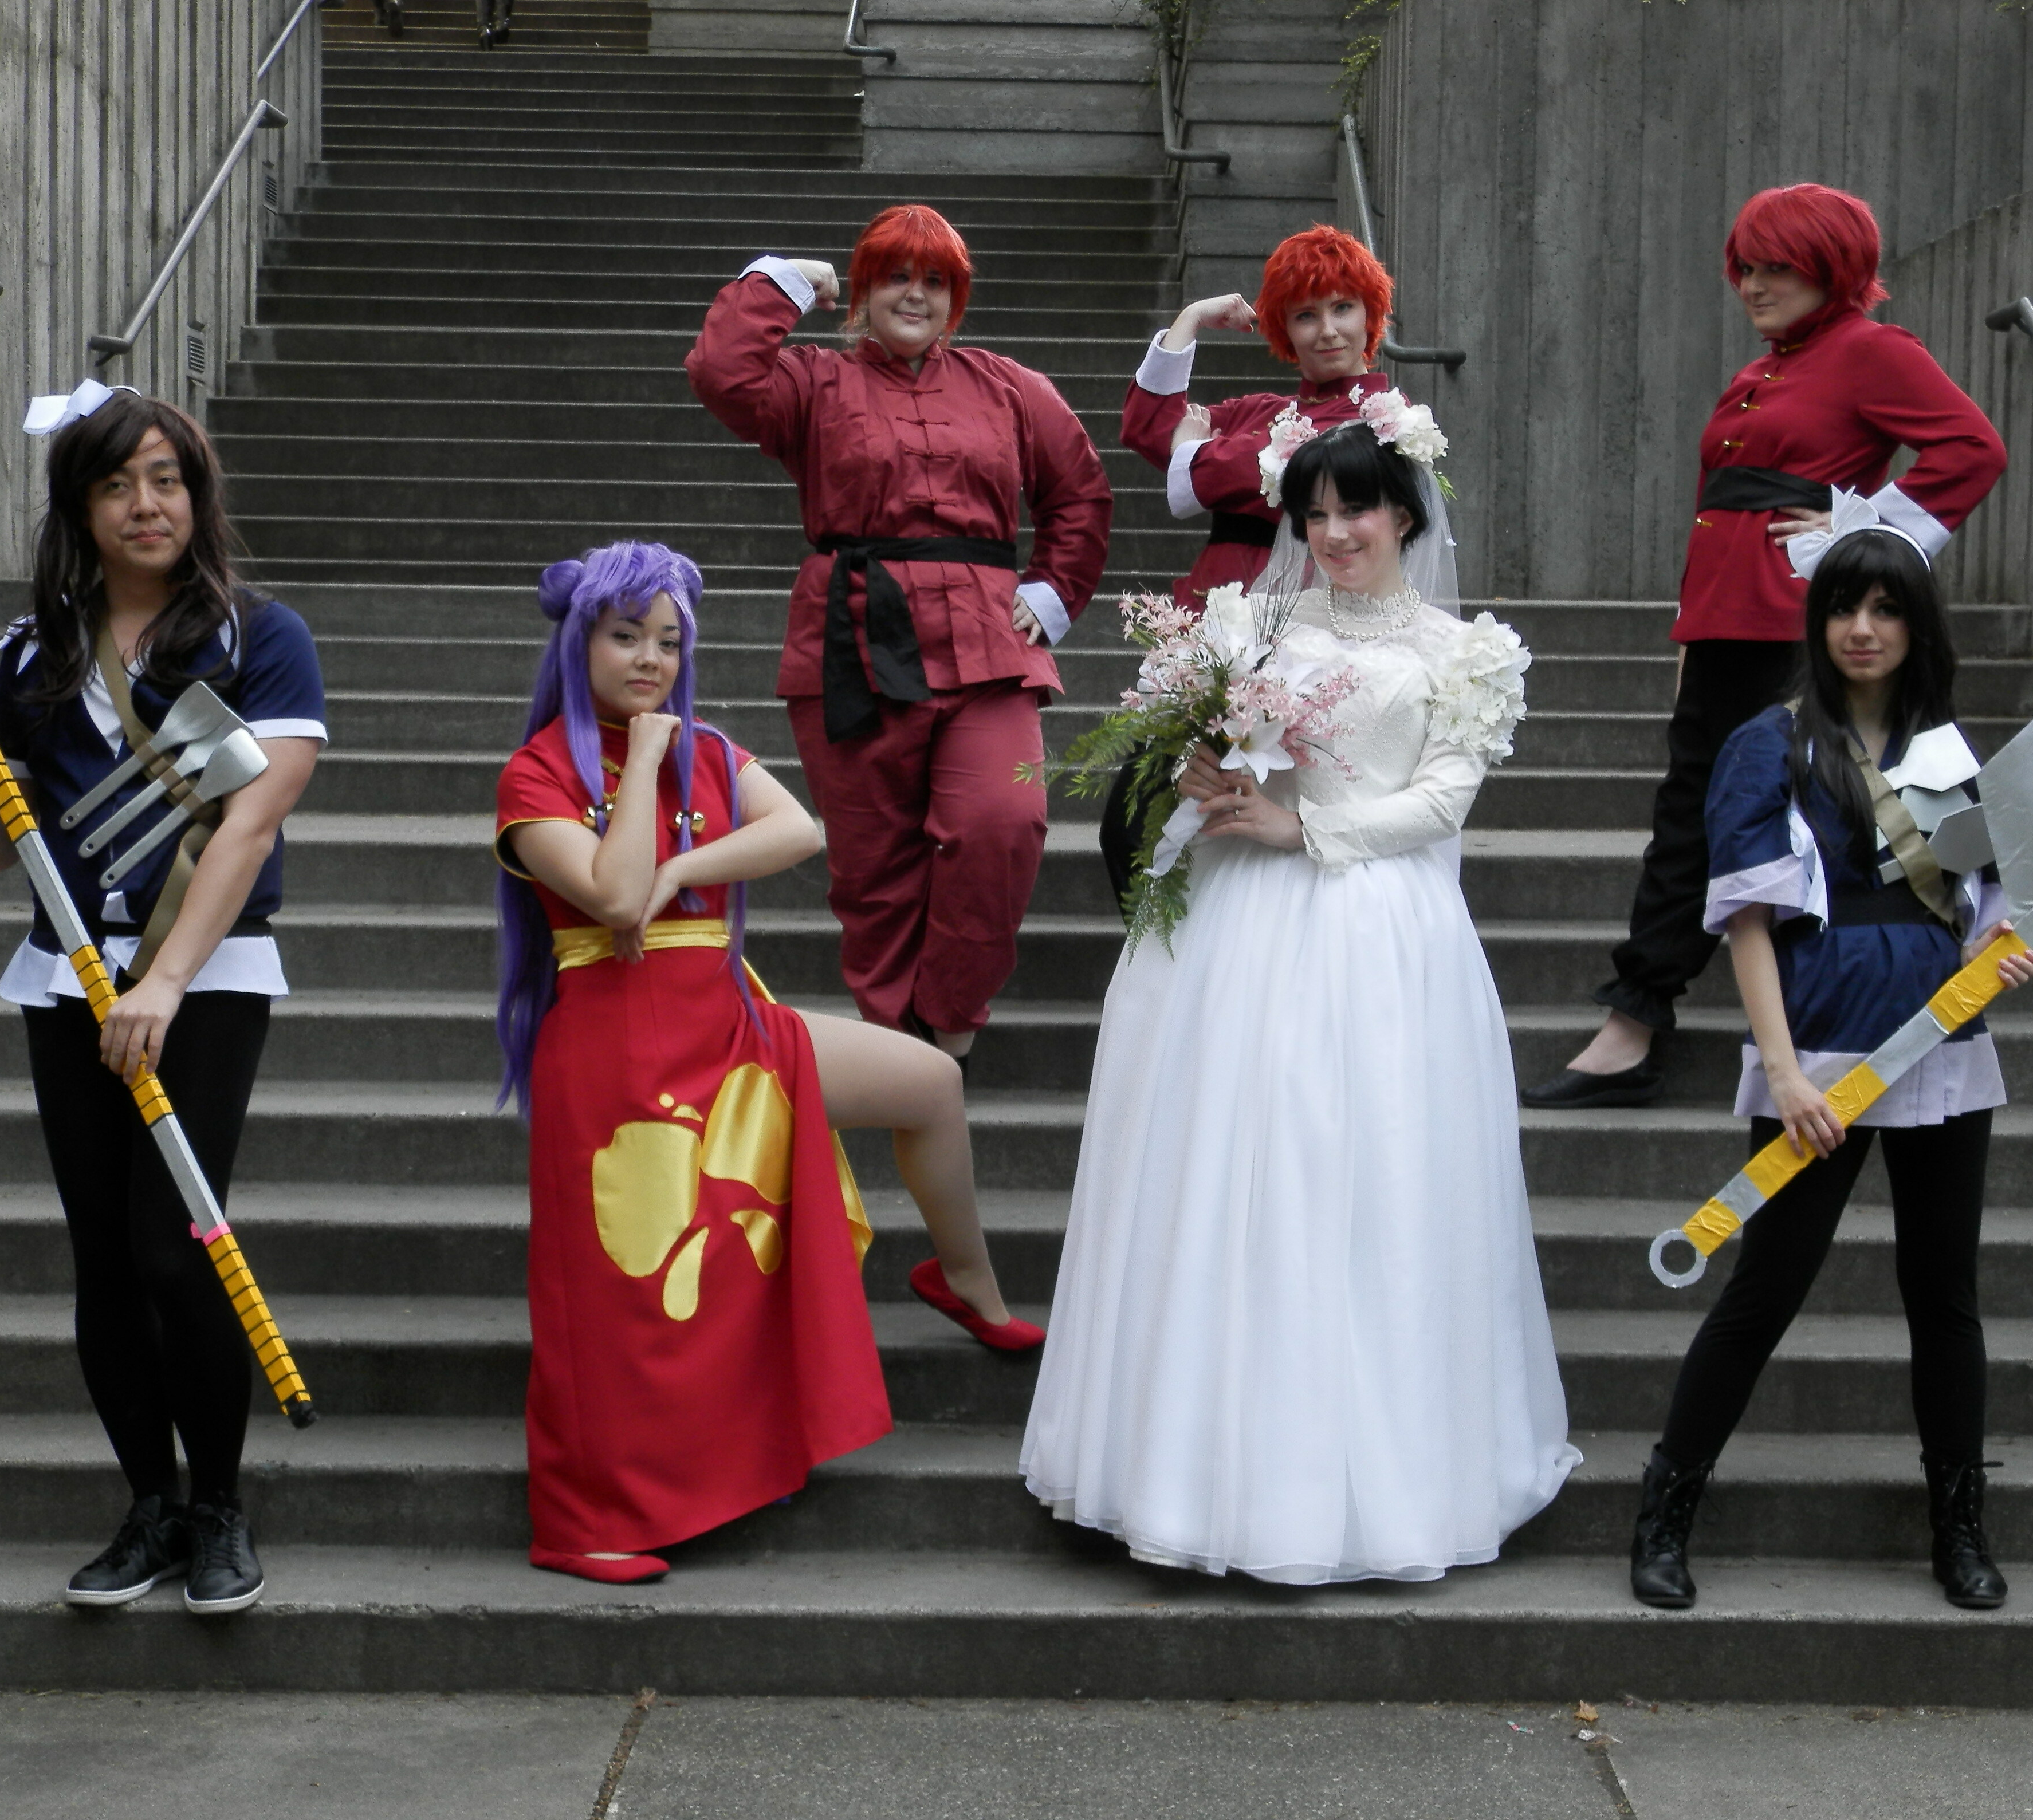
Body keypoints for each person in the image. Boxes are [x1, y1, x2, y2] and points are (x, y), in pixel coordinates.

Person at [1019, 419, 1577, 1585]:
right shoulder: (1250, 625)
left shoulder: (1466, 652)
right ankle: (1183, 1468)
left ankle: (1373, 1477)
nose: (1332, 534)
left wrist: (1307, 828)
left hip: (1379, 931)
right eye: (1313, 514)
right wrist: (1208, 774)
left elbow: (1442, 802)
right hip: (1238, 924)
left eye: (1354, 510)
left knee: (1364, 1180)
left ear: (1405, 514)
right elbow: (1211, 755)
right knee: (1220, 1174)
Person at [498, 541, 1040, 1587]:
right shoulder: (537, 772)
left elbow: (797, 830)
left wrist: (686, 865)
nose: (650, 660)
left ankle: (966, 1281)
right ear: (579, 644)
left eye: (669, 642)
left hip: (728, 1023)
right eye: (626, 637)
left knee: (930, 1083)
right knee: (622, 1294)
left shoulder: (706, 747)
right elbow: (613, 897)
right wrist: (644, 766)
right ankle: (582, 1519)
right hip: (611, 1051)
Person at [0, 387, 326, 1617]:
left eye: (166, 480)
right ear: (80, 509)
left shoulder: (262, 636)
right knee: (102, 1252)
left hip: (203, 975)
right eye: (115, 485)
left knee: (172, 1244)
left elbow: (250, 825)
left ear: (197, 495)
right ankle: (150, 1504)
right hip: (66, 974)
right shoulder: (35, 651)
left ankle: (220, 1508)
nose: (146, 505)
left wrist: (164, 981)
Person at [1627, 526, 2033, 1614]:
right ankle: (1665, 1510)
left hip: (1938, 1045)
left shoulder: (1945, 751)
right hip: (1814, 1046)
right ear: (1817, 621)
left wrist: (1998, 958)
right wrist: (1782, 1073)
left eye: (1886, 609)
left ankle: (1959, 1525)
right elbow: (1747, 922)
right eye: (1845, 607)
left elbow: (1975, 913)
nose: (1863, 629)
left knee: (1943, 1297)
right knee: (1765, 1290)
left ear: (1917, 627)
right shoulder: (1766, 745)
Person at [1525, 183, 2007, 1109]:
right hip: (1723, 626)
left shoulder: (1872, 351)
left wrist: (1863, 538)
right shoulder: (1763, 371)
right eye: (1745, 266)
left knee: (1812, 821)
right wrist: (1689, 631)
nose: (1753, 283)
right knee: (1687, 817)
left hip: (1800, 629)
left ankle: (1823, 1019)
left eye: (1777, 266)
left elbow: (1972, 451)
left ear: (1831, 267)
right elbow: (1719, 512)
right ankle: (1635, 1020)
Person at [686, 204, 1112, 1064]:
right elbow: (723, 375)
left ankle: (947, 1030)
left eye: (935, 281)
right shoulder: (812, 382)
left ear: (956, 298)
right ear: (864, 290)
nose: (915, 295)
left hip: (990, 642)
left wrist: (1054, 590)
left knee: (1004, 821)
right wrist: (783, 282)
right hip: (852, 638)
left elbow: (1080, 492)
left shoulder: (1010, 386)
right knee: (875, 869)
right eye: (896, 277)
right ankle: (898, 1050)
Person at [1103, 224, 1400, 908]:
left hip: (1298, 659)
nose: (1328, 330)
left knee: (1194, 843)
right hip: (1210, 648)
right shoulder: (1267, 410)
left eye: (1343, 308)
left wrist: (1198, 454)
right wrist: (1191, 319)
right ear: (1283, 330)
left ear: (1371, 315)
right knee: (1141, 831)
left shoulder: (1386, 420)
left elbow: (1238, 471)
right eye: (1305, 315)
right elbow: (1149, 430)